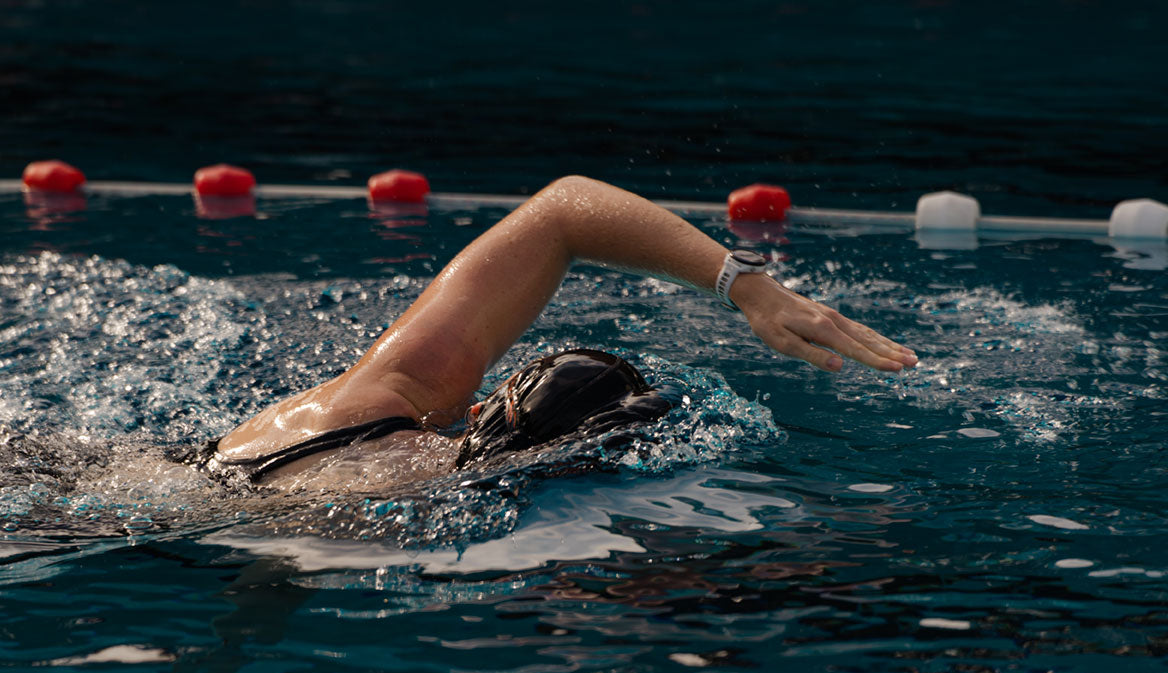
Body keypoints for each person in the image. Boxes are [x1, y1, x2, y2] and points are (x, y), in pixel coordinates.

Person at [191, 176, 917, 491]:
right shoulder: (432, 488)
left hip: (159, 489)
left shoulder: (381, 401)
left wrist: (748, 287)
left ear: (488, 403)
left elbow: (565, 207)